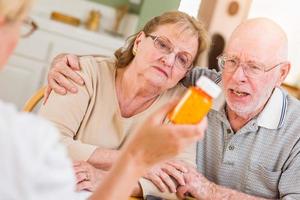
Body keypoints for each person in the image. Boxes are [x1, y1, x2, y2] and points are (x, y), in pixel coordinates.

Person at [48, 18, 300, 199]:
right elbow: (137, 66)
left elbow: (173, 175)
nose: (236, 78)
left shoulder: (296, 129)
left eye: (254, 67)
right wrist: (68, 62)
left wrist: (210, 191)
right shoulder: (202, 87)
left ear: (281, 74)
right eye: (231, 61)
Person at [0, 0, 208, 199]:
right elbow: (49, 144)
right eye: (162, 44)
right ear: (138, 42)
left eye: (182, 59)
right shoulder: (82, 72)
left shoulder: (183, 104)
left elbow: (181, 178)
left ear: (185, 72)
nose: (169, 60)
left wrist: (106, 178)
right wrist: (139, 164)